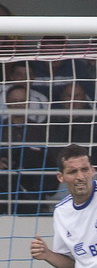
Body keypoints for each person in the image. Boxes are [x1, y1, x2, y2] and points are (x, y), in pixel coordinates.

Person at [0, 84, 56, 214]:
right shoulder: (1, 128)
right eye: (14, 101)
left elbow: (50, 163)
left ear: (28, 103)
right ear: (7, 103)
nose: (18, 104)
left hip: (32, 191)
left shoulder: (40, 130)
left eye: (22, 100)